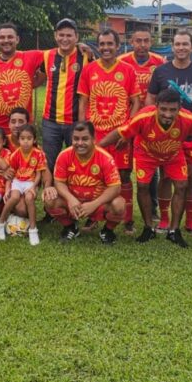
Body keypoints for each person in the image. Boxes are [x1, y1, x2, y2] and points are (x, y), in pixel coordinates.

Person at [101, 89, 192, 247]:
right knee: (142, 186)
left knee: (182, 185)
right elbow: (119, 132)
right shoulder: (143, 117)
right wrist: (97, 147)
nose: (168, 114)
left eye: (173, 110)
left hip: (173, 154)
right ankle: (148, 228)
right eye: (164, 109)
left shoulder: (188, 119)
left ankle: (174, 231)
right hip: (146, 153)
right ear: (156, 106)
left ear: (179, 108)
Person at [146, 29, 192, 235]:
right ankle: (165, 219)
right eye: (177, 44)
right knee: (165, 176)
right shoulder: (160, 72)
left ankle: (190, 221)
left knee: (189, 178)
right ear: (172, 46)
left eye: (185, 44)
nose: (181, 48)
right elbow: (150, 99)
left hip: (190, 135)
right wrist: (151, 127)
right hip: (165, 136)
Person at [77, 29, 140, 233]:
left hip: (119, 135)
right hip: (95, 135)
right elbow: (83, 101)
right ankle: (94, 216)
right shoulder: (89, 70)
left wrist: (127, 131)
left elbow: (136, 102)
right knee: (94, 175)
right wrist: (81, 131)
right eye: (102, 44)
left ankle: (127, 218)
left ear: (118, 45)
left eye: (109, 44)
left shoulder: (128, 70)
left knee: (123, 176)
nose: (105, 48)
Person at [44, 121, 124, 244]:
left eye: (85, 139)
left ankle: (107, 231)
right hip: (73, 204)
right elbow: (59, 182)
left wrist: (94, 204)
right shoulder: (64, 155)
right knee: (49, 200)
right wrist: (70, 199)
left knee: (119, 204)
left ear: (93, 139)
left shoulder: (105, 158)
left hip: (98, 203)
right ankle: (70, 227)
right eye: (76, 139)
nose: (80, 143)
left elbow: (115, 187)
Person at [118, 27, 166, 220]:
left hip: (151, 122)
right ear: (131, 41)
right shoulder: (122, 62)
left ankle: (152, 208)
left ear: (151, 42)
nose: (142, 45)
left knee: (150, 166)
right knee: (125, 166)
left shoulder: (160, 63)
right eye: (138, 41)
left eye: (146, 41)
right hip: (128, 119)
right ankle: (124, 206)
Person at [40, 18, 91, 173]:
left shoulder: (86, 56)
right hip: (50, 120)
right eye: (61, 35)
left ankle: (74, 192)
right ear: (55, 36)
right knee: (49, 161)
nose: (65, 39)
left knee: (77, 161)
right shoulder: (47, 56)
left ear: (76, 37)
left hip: (75, 121)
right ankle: (49, 193)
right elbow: (40, 78)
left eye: (69, 35)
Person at [0, 124, 45, 246]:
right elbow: (11, 174)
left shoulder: (38, 154)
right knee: (14, 197)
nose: (26, 142)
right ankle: (0, 223)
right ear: (19, 140)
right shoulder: (15, 154)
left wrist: (33, 187)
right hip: (18, 181)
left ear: (34, 140)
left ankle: (33, 230)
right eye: (22, 138)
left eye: (29, 138)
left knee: (29, 198)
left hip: (31, 182)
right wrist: (7, 190)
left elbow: (38, 174)